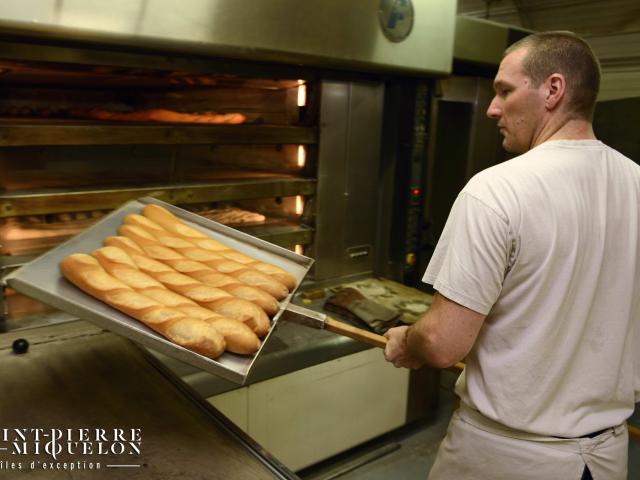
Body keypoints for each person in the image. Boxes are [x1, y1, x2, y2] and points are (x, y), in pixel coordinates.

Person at [383, 31, 640, 480]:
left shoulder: (496, 190)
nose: (492, 108)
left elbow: (444, 343)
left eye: (504, 90)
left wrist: (410, 339)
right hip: (605, 459)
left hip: (506, 459)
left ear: (553, 90)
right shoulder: (636, 183)